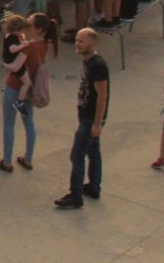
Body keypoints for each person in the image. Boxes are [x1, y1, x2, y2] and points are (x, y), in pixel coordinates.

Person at [0, 13, 56, 173]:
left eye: (30, 24)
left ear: (38, 29)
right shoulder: (43, 45)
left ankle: (7, 161)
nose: (26, 26)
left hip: (14, 86)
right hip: (29, 89)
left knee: (9, 123)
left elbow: (15, 66)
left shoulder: (28, 47)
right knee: (29, 122)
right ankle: (28, 158)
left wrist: (4, 65)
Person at [56, 28, 110, 209]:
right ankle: (94, 187)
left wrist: (97, 122)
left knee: (77, 156)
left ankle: (75, 195)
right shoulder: (88, 62)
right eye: (77, 40)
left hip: (90, 119)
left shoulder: (97, 65)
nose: (77, 44)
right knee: (93, 151)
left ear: (92, 43)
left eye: (81, 41)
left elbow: (102, 95)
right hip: (87, 117)